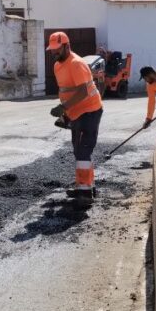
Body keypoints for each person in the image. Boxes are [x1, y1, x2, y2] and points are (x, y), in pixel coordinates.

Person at [46, 32, 103, 201]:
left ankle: (84, 194)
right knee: (79, 151)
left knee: (84, 150)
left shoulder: (77, 64)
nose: (54, 53)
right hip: (75, 112)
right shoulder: (57, 66)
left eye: (57, 49)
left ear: (66, 45)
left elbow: (83, 91)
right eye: (52, 50)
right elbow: (66, 91)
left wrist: (63, 107)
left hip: (90, 110)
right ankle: (85, 187)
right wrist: (66, 114)